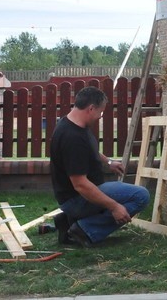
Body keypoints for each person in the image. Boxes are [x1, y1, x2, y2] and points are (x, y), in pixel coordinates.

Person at [50, 86, 149, 247]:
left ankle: (69, 221)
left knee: (126, 194)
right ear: (91, 108)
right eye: (100, 112)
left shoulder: (71, 122)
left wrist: (108, 162)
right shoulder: (72, 138)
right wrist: (115, 207)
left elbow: (90, 150)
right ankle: (83, 230)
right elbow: (80, 185)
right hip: (76, 200)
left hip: (76, 196)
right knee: (141, 196)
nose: (100, 117)